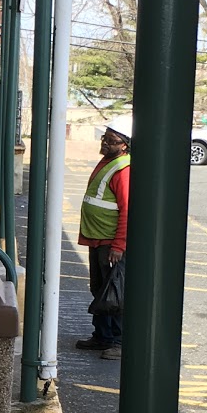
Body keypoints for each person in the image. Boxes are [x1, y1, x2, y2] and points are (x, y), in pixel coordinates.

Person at [76, 115, 131, 360]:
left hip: (110, 242)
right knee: (100, 290)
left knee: (115, 293)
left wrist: (119, 245)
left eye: (111, 139)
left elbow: (128, 210)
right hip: (98, 237)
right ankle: (102, 336)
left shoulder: (123, 170)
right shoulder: (108, 162)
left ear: (125, 145)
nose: (105, 142)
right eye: (104, 137)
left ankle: (118, 341)